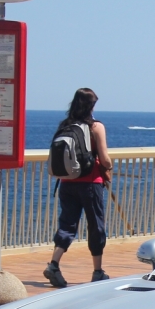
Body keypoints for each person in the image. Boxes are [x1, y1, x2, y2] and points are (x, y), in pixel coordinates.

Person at [44, 88, 112, 288]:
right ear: (91, 106)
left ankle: (54, 263)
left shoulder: (65, 125)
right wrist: (109, 167)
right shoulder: (96, 127)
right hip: (90, 183)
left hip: (67, 183)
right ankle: (98, 271)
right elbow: (105, 159)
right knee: (96, 226)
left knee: (67, 224)